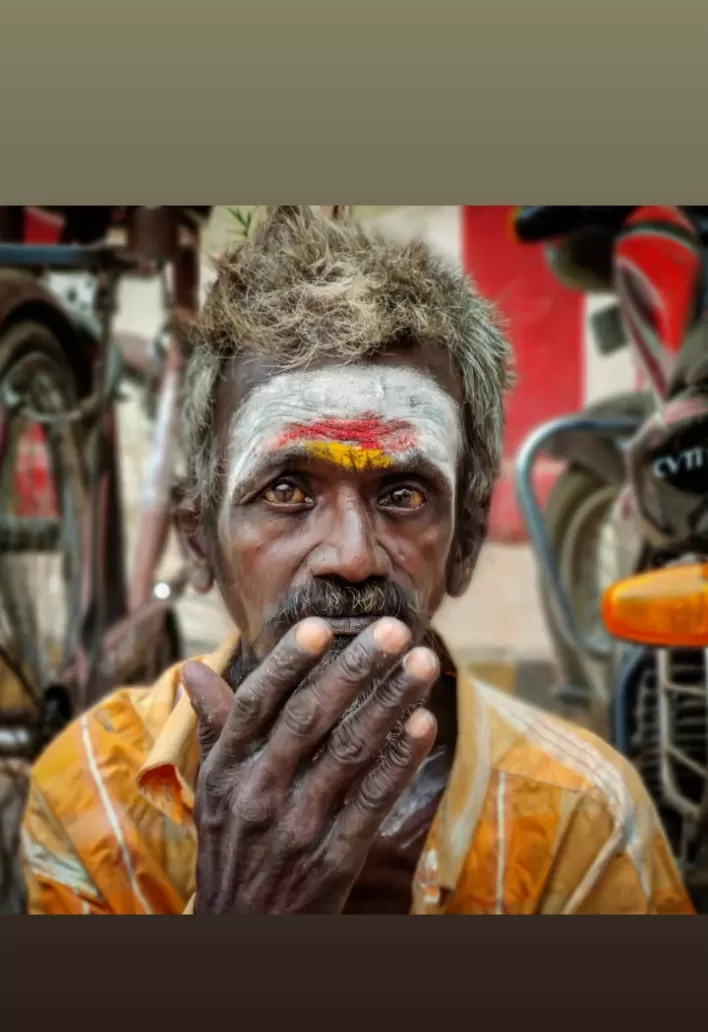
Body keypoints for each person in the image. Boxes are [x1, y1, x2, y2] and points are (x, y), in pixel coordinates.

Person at [22, 206, 692, 915]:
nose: (351, 557)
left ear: (464, 545)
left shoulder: (581, 821)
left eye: (402, 493)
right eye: (286, 490)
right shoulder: (95, 795)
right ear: (200, 542)